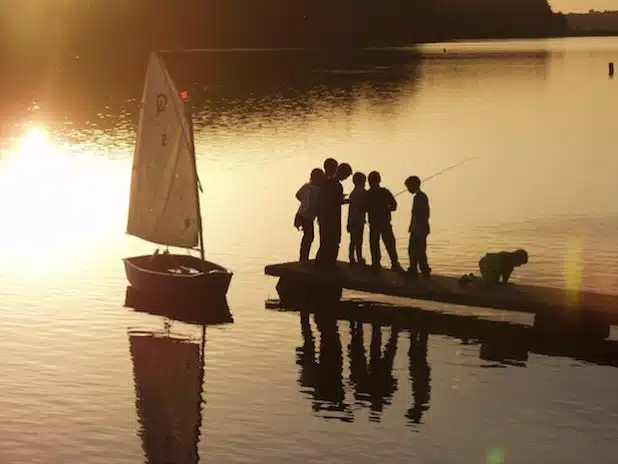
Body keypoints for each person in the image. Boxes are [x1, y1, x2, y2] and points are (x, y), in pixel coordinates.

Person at [315, 162, 352, 268]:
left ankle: (324, 263)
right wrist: (347, 201)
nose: (345, 178)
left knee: (327, 241)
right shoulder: (334, 185)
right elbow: (333, 201)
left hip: (327, 216)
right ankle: (327, 264)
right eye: (346, 176)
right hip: (331, 217)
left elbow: (325, 200)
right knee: (331, 241)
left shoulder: (328, 183)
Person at [364, 171, 403, 272]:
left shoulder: (368, 194)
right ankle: (393, 263)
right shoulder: (385, 192)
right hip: (382, 222)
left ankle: (377, 264)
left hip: (376, 223)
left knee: (376, 244)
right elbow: (394, 206)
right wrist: (386, 208)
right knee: (388, 243)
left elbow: (363, 208)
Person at [295, 168, 325, 262]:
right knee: (309, 236)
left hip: (302, 214)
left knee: (308, 236)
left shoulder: (306, 186)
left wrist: (304, 201)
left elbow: (297, 195)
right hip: (306, 216)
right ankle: (303, 258)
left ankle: (303, 257)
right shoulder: (318, 190)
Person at [405, 176, 431, 280]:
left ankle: (422, 271)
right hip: (417, 229)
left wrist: (417, 228)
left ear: (415, 185)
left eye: (409, 187)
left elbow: (422, 214)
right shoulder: (419, 197)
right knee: (413, 250)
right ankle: (415, 269)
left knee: (418, 251)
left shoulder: (420, 197)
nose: (408, 189)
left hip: (420, 229)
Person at [346, 172, 367, 265]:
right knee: (358, 241)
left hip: (352, 220)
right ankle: (358, 257)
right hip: (358, 220)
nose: (365, 183)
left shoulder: (352, 193)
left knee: (353, 241)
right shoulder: (363, 192)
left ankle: (352, 257)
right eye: (364, 181)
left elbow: (350, 210)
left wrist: (348, 222)